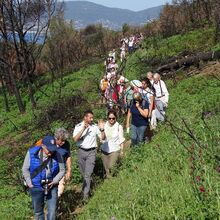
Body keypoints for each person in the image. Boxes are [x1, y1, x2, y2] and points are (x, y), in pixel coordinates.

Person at [22, 136, 65, 220]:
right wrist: (29, 183)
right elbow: (25, 169)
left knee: (52, 212)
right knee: (38, 213)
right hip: (36, 186)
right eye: (49, 149)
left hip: (52, 186)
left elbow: (62, 170)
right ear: (43, 146)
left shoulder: (58, 154)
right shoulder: (31, 153)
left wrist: (55, 181)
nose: (51, 152)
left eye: (53, 149)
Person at [73, 110, 105, 200]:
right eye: (90, 117)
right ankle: (88, 188)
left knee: (88, 174)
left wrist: (102, 129)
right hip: (81, 151)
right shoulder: (78, 126)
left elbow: (102, 138)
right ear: (85, 117)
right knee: (84, 174)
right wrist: (84, 129)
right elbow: (75, 139)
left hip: (91, 152)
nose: (92, 119)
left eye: (92, 117)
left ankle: (85, 197)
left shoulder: (95, 127)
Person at [101, 110, 125, 178]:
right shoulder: (104, 125)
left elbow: (121, 139)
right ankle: (110, 182)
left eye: (113, 118)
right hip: (104, 150)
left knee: (111, 166)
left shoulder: (118, 126)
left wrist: (122, 151)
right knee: (106, 169)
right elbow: (102, 138)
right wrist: (102, 130)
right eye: (110, 118)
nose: (111, 120)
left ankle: (112, 179)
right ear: (107, 118)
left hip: (115, 150)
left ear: (116, 118)